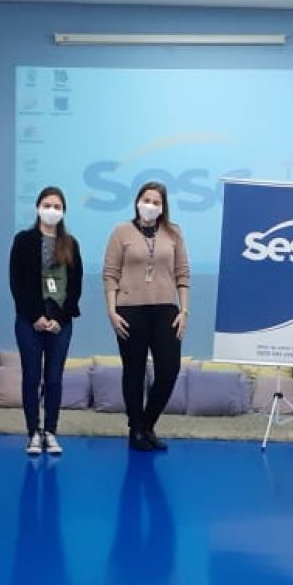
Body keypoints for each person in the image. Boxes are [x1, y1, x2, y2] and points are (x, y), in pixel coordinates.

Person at [102, 181, 190, 452]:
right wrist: (112, 311)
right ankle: (135, 430)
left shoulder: (174, 232)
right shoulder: (121, 232)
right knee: (134, 372)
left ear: (163, 207)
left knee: (169, 370)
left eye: (156, 202)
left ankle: (147, 424)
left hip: (166, 310)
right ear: (137, 202)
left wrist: (184, 310)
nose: (150, 205)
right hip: (130, 310)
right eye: (146, 200)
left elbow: (183, 273)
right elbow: (110, 273)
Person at [10, 186, 84, 456]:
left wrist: (60, 319)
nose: (52, 210)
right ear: (38, 207)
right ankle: (33, 433)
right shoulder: (23, 240)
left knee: (54, 378)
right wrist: (35, 316)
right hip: (29, 321)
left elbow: (75, 287)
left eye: (57, 207)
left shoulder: (70, 244)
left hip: (60, 322)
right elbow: (16, 283)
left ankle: (50, 432)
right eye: (47, 205)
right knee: (31, 377)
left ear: (63, 212)